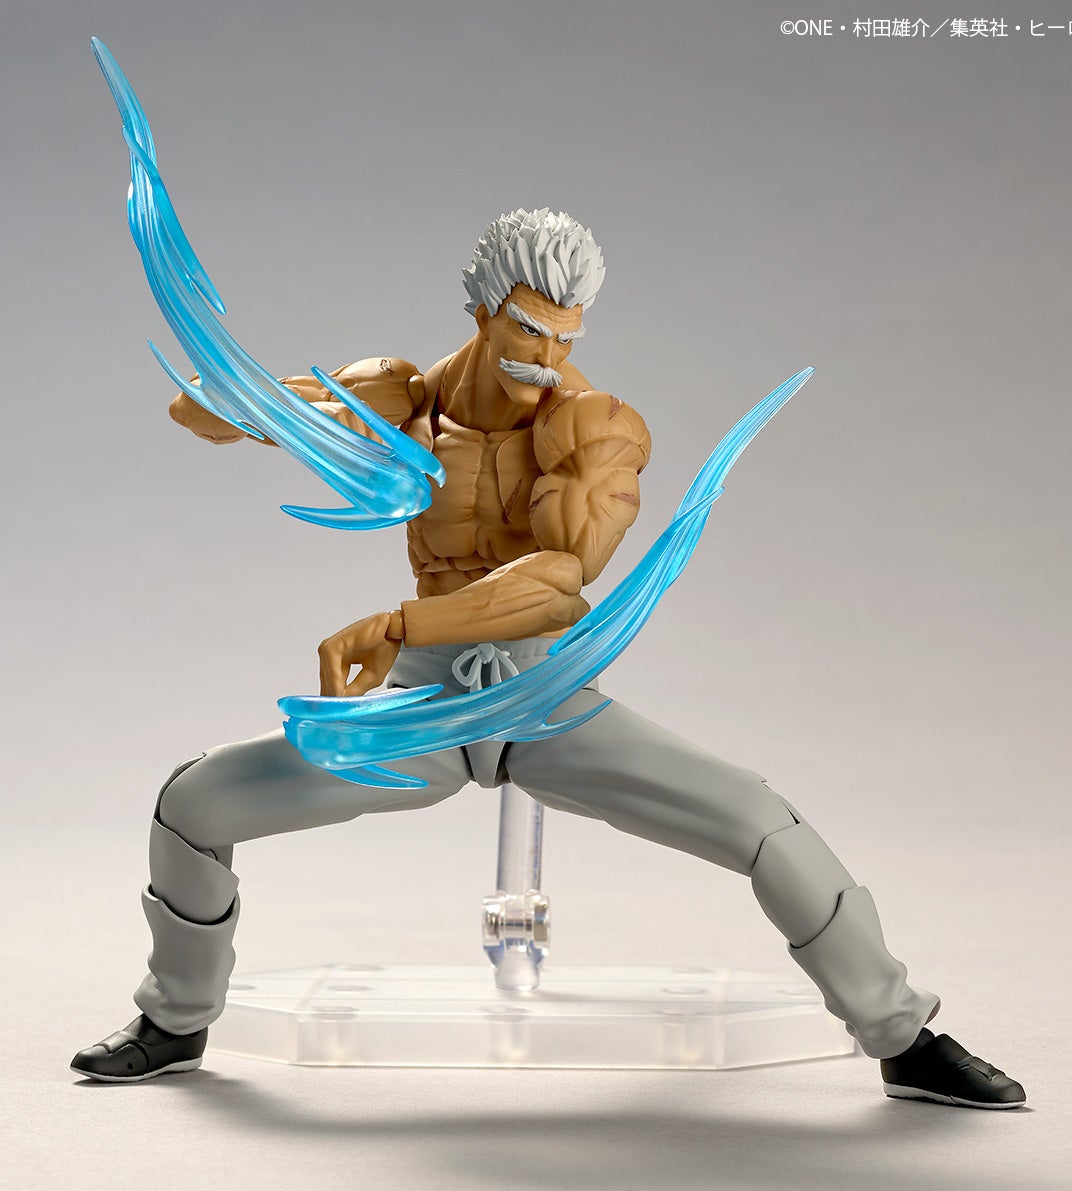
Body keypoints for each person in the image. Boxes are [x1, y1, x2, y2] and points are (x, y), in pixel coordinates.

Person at [72, 208, 1024, 1108]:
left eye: (567, 337)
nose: (548, 358)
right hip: (422, 713)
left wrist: (400, 626)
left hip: (547, 701)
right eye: (529, 330)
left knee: (763, 825)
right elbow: (197, 412)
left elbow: (560, 581)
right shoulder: (401, 398)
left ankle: (904, 1037)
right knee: (193, 804)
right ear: (483, 311)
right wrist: (257, 400)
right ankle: (177, 1021)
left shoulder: (592, 423)